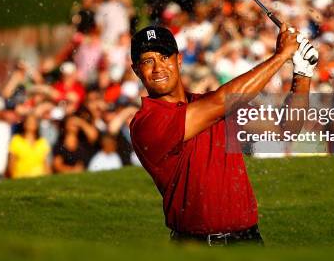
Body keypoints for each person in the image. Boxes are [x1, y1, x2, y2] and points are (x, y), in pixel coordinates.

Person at [128, 24, 318, 245]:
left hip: (249, 242)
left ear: (178, 60)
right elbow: (221, 100)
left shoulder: (212, 105)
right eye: (147, 61)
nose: (158, 67)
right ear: (136, 70)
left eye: (164, 57)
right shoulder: (146, 122)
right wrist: (281, 55)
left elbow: (285, 130)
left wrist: (303, 74)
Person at [8, 114, 51, 178]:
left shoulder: (42, 142)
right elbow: (11, 163)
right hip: (20, 177)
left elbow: (45, 163)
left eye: (34, 122)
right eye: (29, 122)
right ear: (24, 124)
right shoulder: (16, 140)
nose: (32, 124)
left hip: (39, 178)